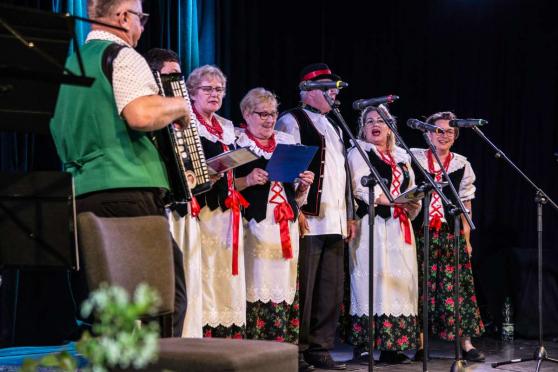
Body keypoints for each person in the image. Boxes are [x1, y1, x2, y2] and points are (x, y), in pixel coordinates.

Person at [50, 0, 188, 337]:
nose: (142, 27)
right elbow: (139, 114)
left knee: (107, 310)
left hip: (80, 197)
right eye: (140, 18)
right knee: (166, 301)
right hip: (129, 191)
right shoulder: (122, 55)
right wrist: (179, 105)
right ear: (123, 17)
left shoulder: (65, 66)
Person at [276, 63, 356, 371]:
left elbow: (343, 175)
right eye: (328, 89)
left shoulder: (336, 125)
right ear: (309, 92)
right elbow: (286, 169)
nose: (335, 94)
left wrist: (350, 214)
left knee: (329, 287)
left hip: (335, 219)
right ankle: (298, 348)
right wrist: (295, 209)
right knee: (305, 286)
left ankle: (321, 347)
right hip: (309, 218)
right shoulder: (291, 121)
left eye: (335, 89)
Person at [234, 88, 314, 344]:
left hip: (285, 225)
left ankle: (283, 348)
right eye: (262, 114)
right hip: (254, 226)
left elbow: (296, 197)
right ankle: (256, 349)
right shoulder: (237, 142)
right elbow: (221, 184)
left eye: (273, 114)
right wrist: (247, 180)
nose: (269, 119)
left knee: (284, 282)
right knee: (256, 282)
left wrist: (304, 184)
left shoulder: (286, 142)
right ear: (247, 114)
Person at [347, 106, 421, 364]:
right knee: (372, 281)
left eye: (380, 121)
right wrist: (392, 202)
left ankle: (393, 345)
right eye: (369, 122)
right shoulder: (359, 153)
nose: (375, 125)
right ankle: (365, 346)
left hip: (400, 228)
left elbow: (410, 188)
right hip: (372, 226)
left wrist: (413, 204)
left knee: (399, 283)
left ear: (390, 126)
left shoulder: (402, 156)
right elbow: (359, 187)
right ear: (363, 127)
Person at [410, 111, 485, 362]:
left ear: (456, 136)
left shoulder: (461, 164)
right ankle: (420, 344)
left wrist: (466, 240)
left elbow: (466, 206)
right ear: (428, 133)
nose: (444, 135)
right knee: (420, 286)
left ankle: (466, 343)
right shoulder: (414, 158)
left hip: (449, 233)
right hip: (419, 232)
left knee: (458, 288)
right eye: (439, 130)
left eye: (449, 131)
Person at [144, 47, 203, 338]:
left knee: (176, 294)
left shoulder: (176, 111)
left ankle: (169, 353)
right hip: (150, 207)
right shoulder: (145, 109)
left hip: (171, 208)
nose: (175, 83)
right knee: (165, 295)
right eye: (169, 76)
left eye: (178, 76)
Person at [186, 65, 246, 338]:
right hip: (204, 209)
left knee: (225, 273)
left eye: (219, 89)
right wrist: (210, 170)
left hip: (228, 210)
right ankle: (205, 331)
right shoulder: (188, 124)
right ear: (192, 92)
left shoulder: (226, 126)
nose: (214, 94)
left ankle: (227, 330)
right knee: (206, 271)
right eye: (207, 89)